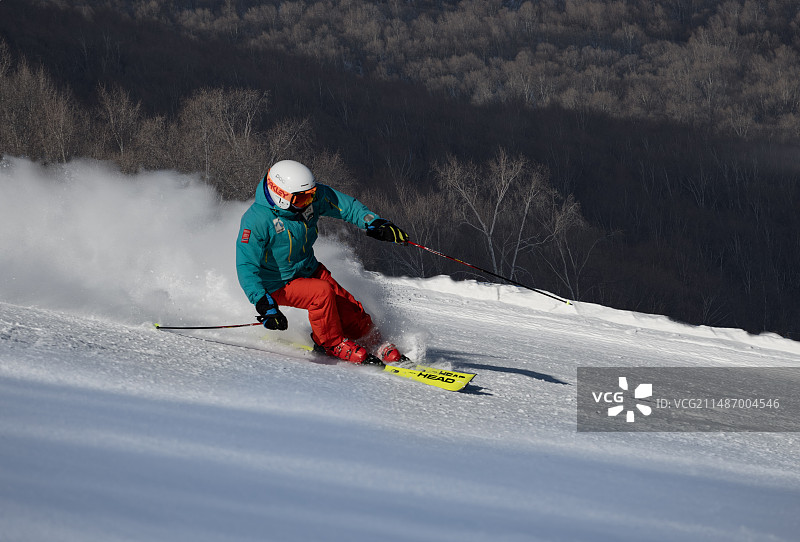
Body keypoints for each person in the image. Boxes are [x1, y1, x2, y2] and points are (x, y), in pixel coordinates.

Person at [236, 159, 409, 364]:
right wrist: (264, 304)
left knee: (347, 307)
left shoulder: (307, 199)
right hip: (276, 283)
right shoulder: (256, 220)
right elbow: (246, 265)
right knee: (320, 293)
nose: (309, 202)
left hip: (307, 269)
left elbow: (345, 206)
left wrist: (373, 222)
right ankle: (330, 343)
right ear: (280, 196)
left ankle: (370, 339)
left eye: (311, 195)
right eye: (302, 199)